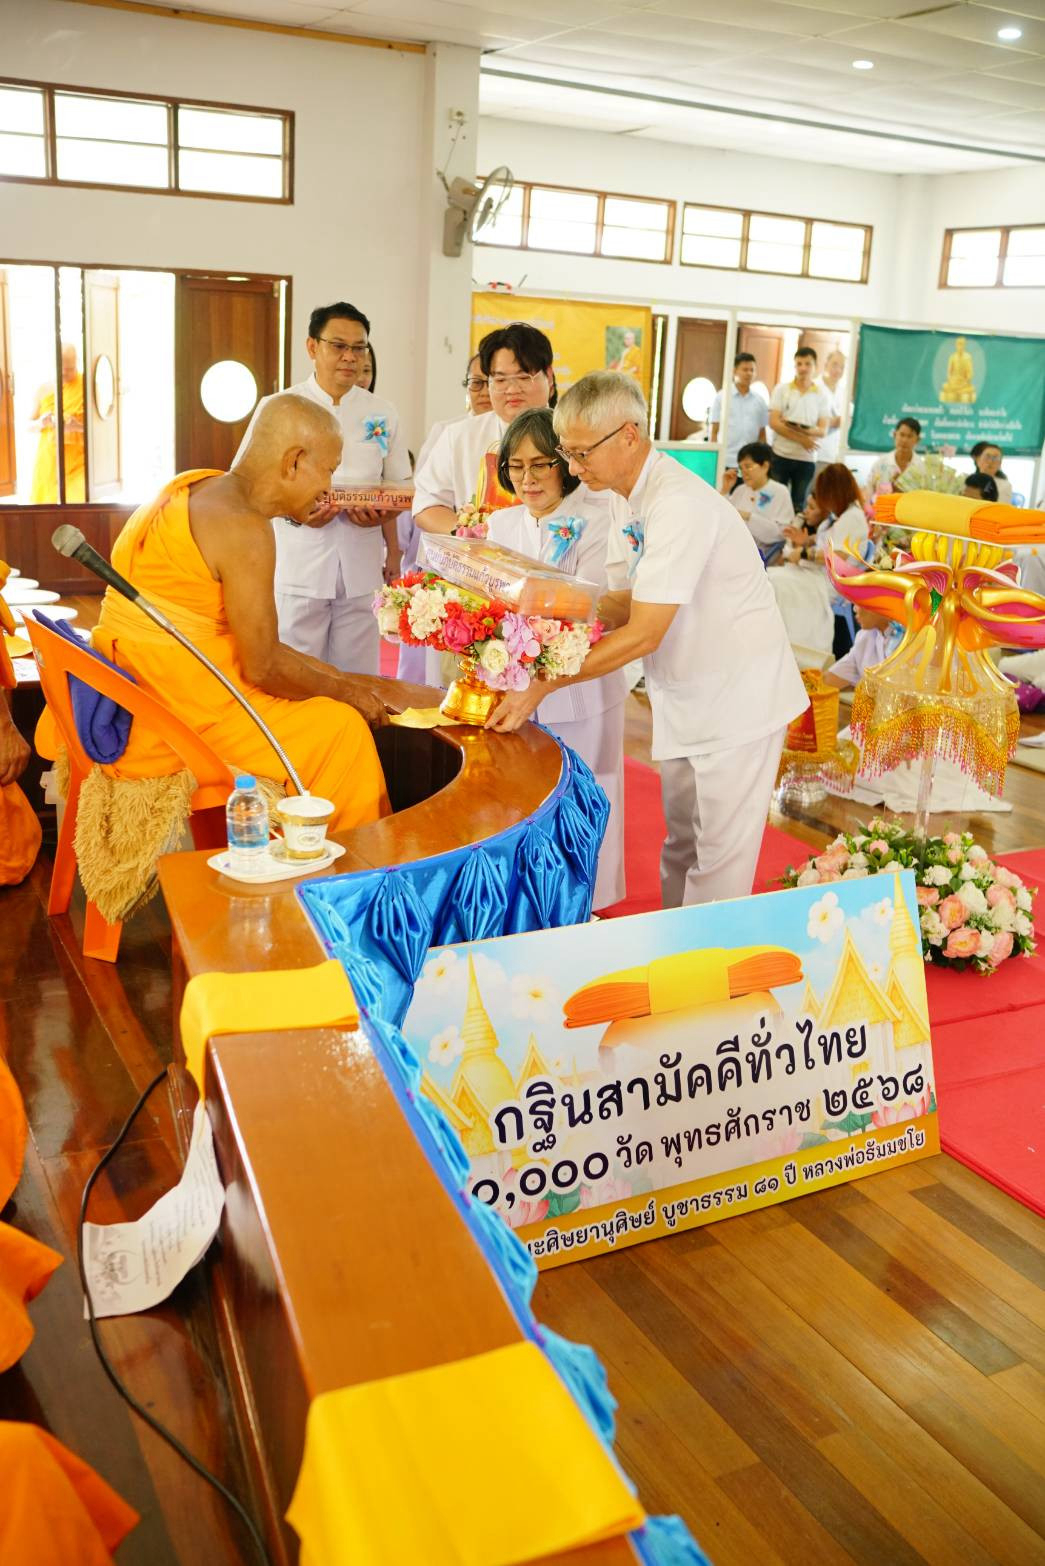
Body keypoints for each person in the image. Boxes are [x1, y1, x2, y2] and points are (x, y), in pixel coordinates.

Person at [486, 372, 808, 908]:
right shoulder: (621, 498)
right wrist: (536, 609)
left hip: (738, 701)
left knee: (718, 860)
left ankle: (705, 970)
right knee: (681, 844)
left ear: (630, 435)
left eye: (581, 452)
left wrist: (543, 682)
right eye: (567, 452)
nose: (571, 467)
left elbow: (643, 631)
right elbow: (621, 601)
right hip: (685, 694)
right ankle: (673, 954)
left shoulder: (678, 503)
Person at [91, 394, 388, 831]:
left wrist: (339, 680)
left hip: (140, 689)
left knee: (330, 694)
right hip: (173, 716)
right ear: (294, 462)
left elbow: (252, 646)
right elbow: (263, 665)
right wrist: (344, 694)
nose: (330, 486)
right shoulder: (243, 526)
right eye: (328, 469)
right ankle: (348, 875)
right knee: (342, 730)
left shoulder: (194, 487)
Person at [492, 408, 626, 909]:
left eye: (540, 464)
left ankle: (590, 899)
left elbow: (591, 602)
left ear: (565, 464)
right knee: (525, 793)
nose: (527, 478)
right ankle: (533, 898)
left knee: (589, 786)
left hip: (583, 680)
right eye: (515, 466)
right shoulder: (500, 523)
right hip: (515, 678)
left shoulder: (596, 521)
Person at [235, 302, 411, 675]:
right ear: (312, 347)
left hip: (361, 569)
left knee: (358, 679)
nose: (350, 357)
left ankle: (354, 736)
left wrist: (382, 512)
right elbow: (244, 486)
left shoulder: (383, 412)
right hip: (298, 564)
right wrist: (297, 515)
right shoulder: (277, 408)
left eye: (359, 348)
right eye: (338, 346)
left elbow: (402, 483)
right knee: (298, 675)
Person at [413, 322, 555, 536]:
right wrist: (466, 533)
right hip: (481, 561)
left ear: (549, 377)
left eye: (524, 377)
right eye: (500, 379)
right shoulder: (459, 436)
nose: (512, 389)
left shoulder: (576, 435)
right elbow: (426, 504)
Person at [781, 464, 869, 657]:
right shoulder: (840, 516)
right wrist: (805, 543)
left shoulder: (852, 518)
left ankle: (797, 651)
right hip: (818, 575)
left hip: (831, 583)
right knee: (775, 578)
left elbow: (837, 556)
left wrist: (804, 553)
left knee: (779, 584)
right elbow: (824, 543)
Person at [768, 347, 830, 509]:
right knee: (774, 502)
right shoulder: (782, 389)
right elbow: (774, 423)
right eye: (799, 364)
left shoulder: (822, 394)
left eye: (808, 364)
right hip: (781, 454)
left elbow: (823, 430)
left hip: (806, 458)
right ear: (794, 366)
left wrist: (803, 429)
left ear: (815, 367)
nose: (803, 368)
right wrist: (802, 438)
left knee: (798, 503)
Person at [29, 343, 85, 504]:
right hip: (48, 462)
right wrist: (41, 423)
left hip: (78, 465)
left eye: (70, 369)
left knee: (76, 509)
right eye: (62, 369)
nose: (65, 373)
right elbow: (28, 425)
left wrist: (77, 427)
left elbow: (101, 429)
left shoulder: (87, 386)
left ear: (77, 362)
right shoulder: (44, 389)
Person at [723, 440, 794, 561]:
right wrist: (725, 490)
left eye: (748, 466)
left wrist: (748, 516)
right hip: (734, 548)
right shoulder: (740, 490)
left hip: (761, 554)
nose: (744, 472)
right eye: (741, 468)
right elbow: (724, 519)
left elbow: (779, 534)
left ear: (765, 466)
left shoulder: (780, 492)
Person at [709, 352, 768, 469]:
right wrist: (713, 457)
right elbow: (714, 431)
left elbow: (762, 433)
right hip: (726, 459)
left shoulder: (760, 400)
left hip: (750, 462)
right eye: (745, 369)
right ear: (734, 371)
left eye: (752, 370)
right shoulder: (722, 397)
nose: (749, 373)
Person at [866, 417, 921, 502]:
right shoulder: (880, 464)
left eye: (910, 436)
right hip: (882, 513)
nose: (904, 440)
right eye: (902, 435)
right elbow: (868, 494)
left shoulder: (921, 468)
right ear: (895, 435)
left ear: (917, 440)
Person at [814, 349, 847, 467]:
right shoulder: (814, 387)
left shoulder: (844, 393)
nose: (838, 370)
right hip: (815, 452)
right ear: (826, 364)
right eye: (835, 364)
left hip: (835, 454)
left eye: (842, 367)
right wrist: (830, 422)